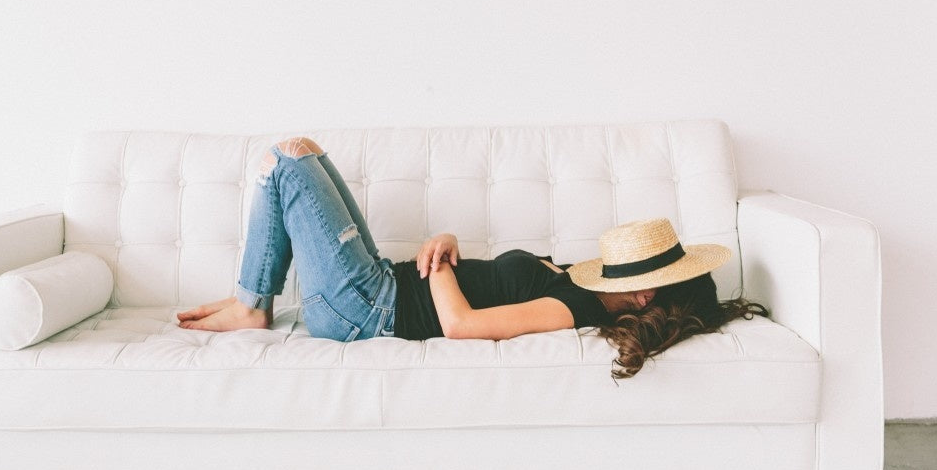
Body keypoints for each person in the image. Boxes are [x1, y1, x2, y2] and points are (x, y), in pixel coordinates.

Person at [177, 137, 767, 378]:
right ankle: (250, 301)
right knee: (303, 152)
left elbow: (462, 327)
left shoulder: (572, 308)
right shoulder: (572, 281)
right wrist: (450, 248)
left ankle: (252, 305)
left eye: (647, 270)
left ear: (644, 294)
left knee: (288, 157)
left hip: (369, 312)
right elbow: (486, 287)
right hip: (382, 285)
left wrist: (436, 261)